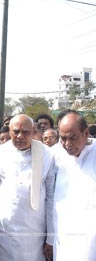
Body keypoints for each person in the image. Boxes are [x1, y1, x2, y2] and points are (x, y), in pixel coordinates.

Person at [0, 114, 55, 261]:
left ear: (34, 131)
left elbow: (51, 197)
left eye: (26, 132)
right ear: (9, 131)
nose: (20, 136)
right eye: (16, 132)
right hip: (4, 232)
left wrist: (51, 237)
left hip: (35, 234)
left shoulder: (46, 154)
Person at [52, 109, 96, 261]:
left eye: (73, 138)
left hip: (92, 238)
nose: (67, 144)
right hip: (64, 235)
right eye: (63, 138)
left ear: (86, 133)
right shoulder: (55, 154)